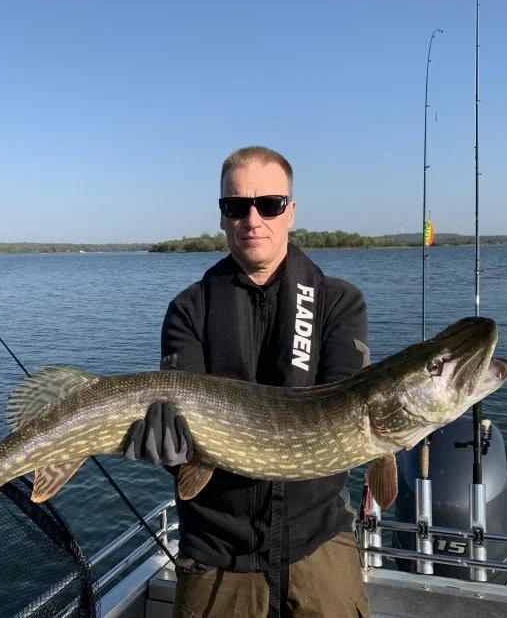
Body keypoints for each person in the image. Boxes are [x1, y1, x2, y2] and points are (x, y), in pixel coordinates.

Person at [123, 145, 371, 617]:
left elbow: (348, 400)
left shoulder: (338, 303)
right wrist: (167, 449)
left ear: (291, 212)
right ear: (222, 217)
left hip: (318, 546)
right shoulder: (189, 310)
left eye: (269, 204)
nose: (252, 220)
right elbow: (180, 427)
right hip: (217, 554)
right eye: (236, 206)